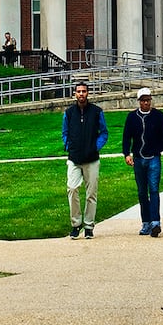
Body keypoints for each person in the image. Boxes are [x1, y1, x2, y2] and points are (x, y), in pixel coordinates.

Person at [122, 87, 163, 237]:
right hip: (138, 158)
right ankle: (146, 222)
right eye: (143, 101)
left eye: (148, 100)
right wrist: (127, 154)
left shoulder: (158, 116)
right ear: (139, 102)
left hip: (154, 158)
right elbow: (126, 137)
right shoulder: (132, 117)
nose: (146, 103)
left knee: (153, 189)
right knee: (142, 192)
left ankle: (155, 222)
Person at [62, 82, 109, 240]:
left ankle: (89, 225)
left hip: (91, 159)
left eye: (84, 91)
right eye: (78, 91)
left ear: (88, 93)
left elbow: (104, 133)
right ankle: (76, 224)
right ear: (75, 94)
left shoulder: (96, 112)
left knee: (91, 194)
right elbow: (65, 132)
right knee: (72, 188)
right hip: (74, 158)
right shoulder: (69, 113)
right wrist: (68, 145)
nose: (81, 94)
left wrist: (96, 147)